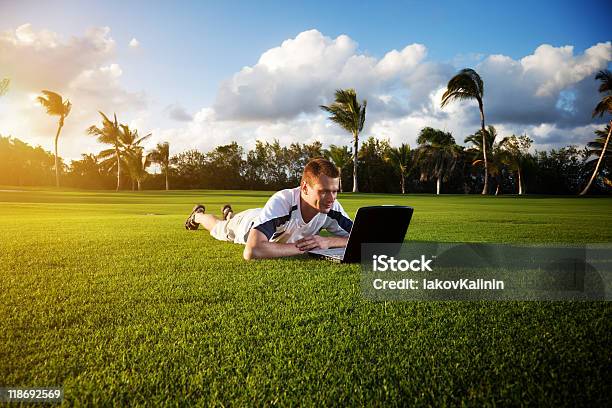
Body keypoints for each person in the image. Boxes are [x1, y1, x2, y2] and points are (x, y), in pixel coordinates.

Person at [184, 157, 353, 260]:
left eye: (334, 191)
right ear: (304, 188)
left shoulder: (331, 207)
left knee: (230, 219)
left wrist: (328, 241)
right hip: (246, 225)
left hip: (266, 216)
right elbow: (252, 250)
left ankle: (229, 213)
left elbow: (364, 239)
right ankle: (198, 215)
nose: (331, 198)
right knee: (219, 227)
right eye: (323, 191)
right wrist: (308, 247)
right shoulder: (283, 200)